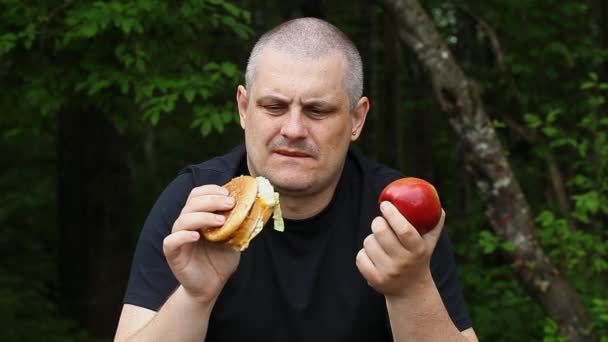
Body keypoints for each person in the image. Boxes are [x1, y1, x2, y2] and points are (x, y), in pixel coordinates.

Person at [114, 17, 478, 342]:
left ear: (357, 119)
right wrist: (195, 297)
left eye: (317, 110)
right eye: (274, 107)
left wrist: (410, 289)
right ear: (244, 108)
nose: (293, 129)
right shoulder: (197, 206)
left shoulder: (396, 215)